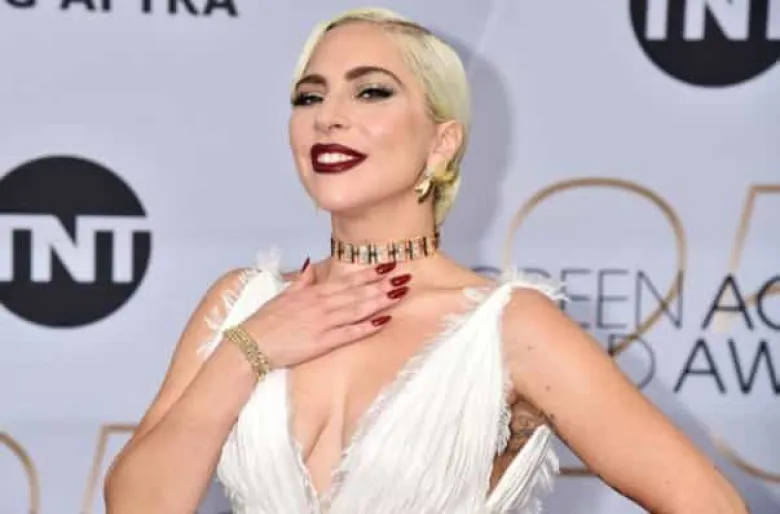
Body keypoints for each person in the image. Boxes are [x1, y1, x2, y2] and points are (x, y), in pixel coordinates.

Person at [103, 7, 748, 514]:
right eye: (309, 97)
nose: (329, 118)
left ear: (442, 143)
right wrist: (249, 350)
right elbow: (136, 506)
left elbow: (708, 504)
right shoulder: (242, 304)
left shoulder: (506, 328)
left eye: (370, 92)